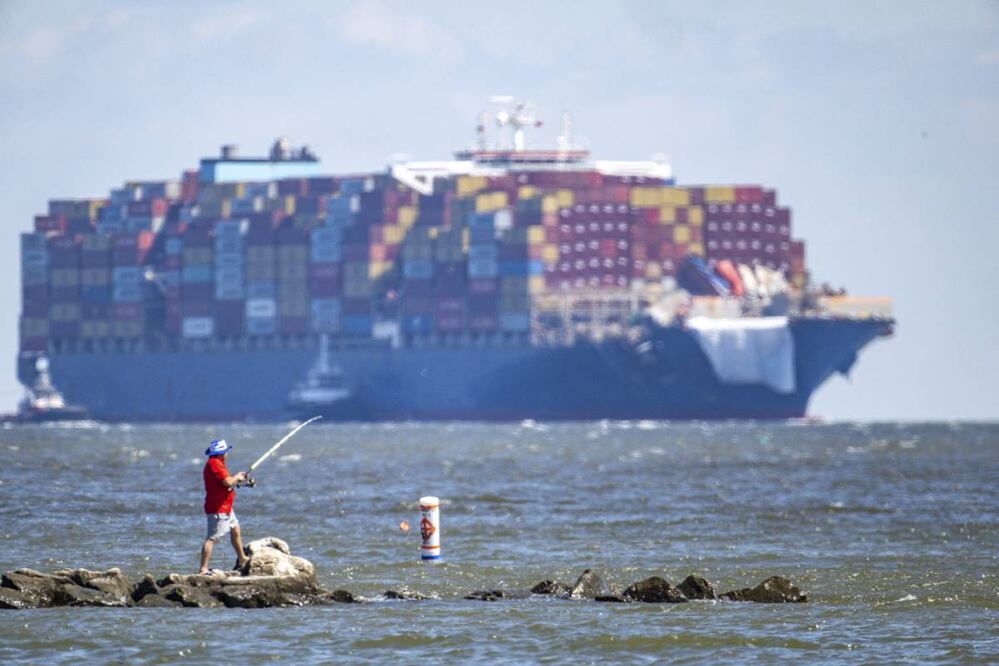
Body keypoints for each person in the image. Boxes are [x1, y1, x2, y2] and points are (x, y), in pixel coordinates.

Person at [198, 439, 250, 575]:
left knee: (235, 529)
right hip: (218, 508)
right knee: (212, 538)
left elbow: (226, 482)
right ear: (221, 453)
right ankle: (203, 569)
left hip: (226, 506)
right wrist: (237, 477)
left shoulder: (218, 463)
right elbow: (227, 482)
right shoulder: (214, 464)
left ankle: (242, 559)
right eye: (226, 451)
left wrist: (238, 479)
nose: (227, 453)